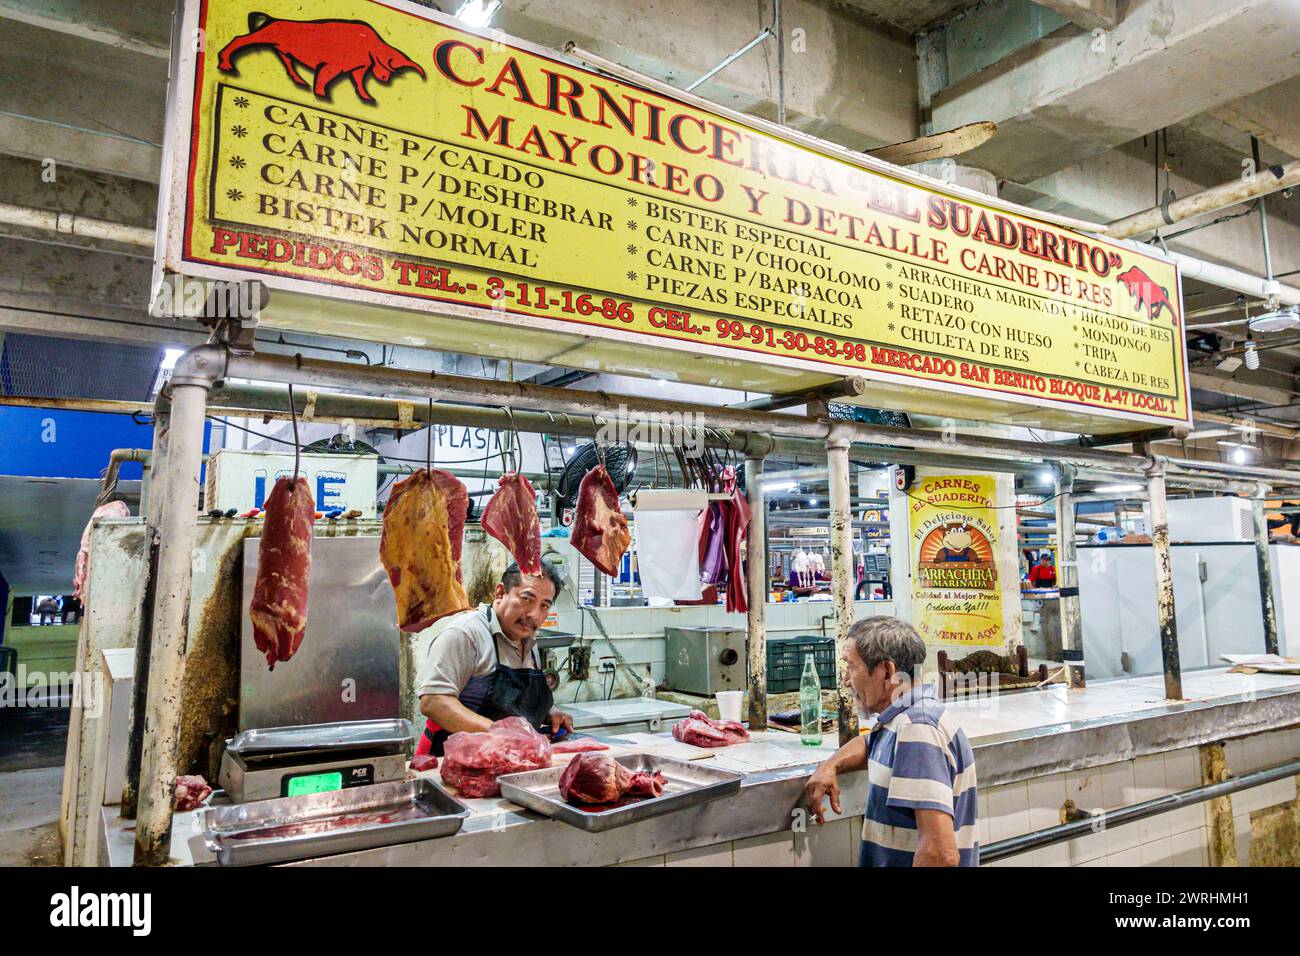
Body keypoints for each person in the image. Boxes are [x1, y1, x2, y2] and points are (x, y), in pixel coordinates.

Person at [804, 616, 978, 867]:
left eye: (852, 667)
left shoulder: (917, 729)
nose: (845, 680)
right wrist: (831, 765)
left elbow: (939, 855)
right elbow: (873, 743)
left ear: (887, 671)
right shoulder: (907, 718)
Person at [414, 562, 573, 757]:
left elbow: (516, 700)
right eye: (526, 599)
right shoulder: (466, 633)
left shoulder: (529, 640)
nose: (534, 615)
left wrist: (549, 712)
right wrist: (497, 732)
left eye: (544, 606)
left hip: (505, 760)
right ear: (500, 592)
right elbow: (434, 701)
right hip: (452, 761)